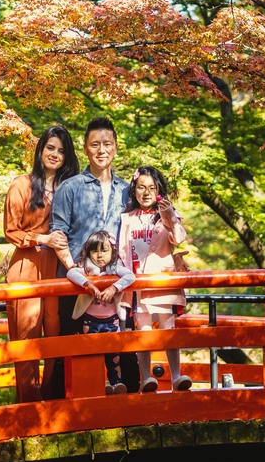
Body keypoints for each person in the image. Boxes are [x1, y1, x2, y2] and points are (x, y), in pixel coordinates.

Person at [47, 117, 131, 396]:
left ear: (115, 147)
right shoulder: (70, 187)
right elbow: (58, 233)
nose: (101, 150)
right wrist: (77, 271)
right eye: (95, 144)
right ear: (85, 148)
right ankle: (63, 411)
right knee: (71, 351)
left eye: (107, 144)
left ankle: (125, 410)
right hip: (76, 284)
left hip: (114, 286)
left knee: (121, 353)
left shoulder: (127, 191)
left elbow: (137, 231)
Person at [4, 125, 78, 402]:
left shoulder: (68, 187)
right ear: (40, 150)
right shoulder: (21, 185)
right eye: (50, 148)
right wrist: (42, 238)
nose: (55, 154)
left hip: (57, 267)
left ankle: (52, 399)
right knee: (27, 333)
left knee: (55, 333)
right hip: (27, 263)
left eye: (61, 151)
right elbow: (11, 231)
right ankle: (29, 403)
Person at [118, 166, 191, 392]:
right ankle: (146, 377)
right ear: (134, 190)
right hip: (138, 282)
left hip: (163, 280)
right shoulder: (127, 218)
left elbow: (179, 238)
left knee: (169, 328)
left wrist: (169, 216)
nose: (146, 192)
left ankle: (176, 375)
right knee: (143, 330)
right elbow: (122, 250)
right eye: (141, 187)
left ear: (159, 190)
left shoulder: (167, 215)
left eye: (151, 187)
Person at [67, 230, 135, 394]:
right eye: (94, 251)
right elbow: (71, 272)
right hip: (91, 320)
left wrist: (114, 288)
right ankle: (97, 385)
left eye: (104, 250)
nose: (99, 256)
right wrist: (88, 284)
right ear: (88, 253)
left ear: (112, 252)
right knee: (93, 352)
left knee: (113, 354)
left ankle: (116, 383)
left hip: (112, 320)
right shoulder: (87, 269)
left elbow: (131, 276)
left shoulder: (115, 268)